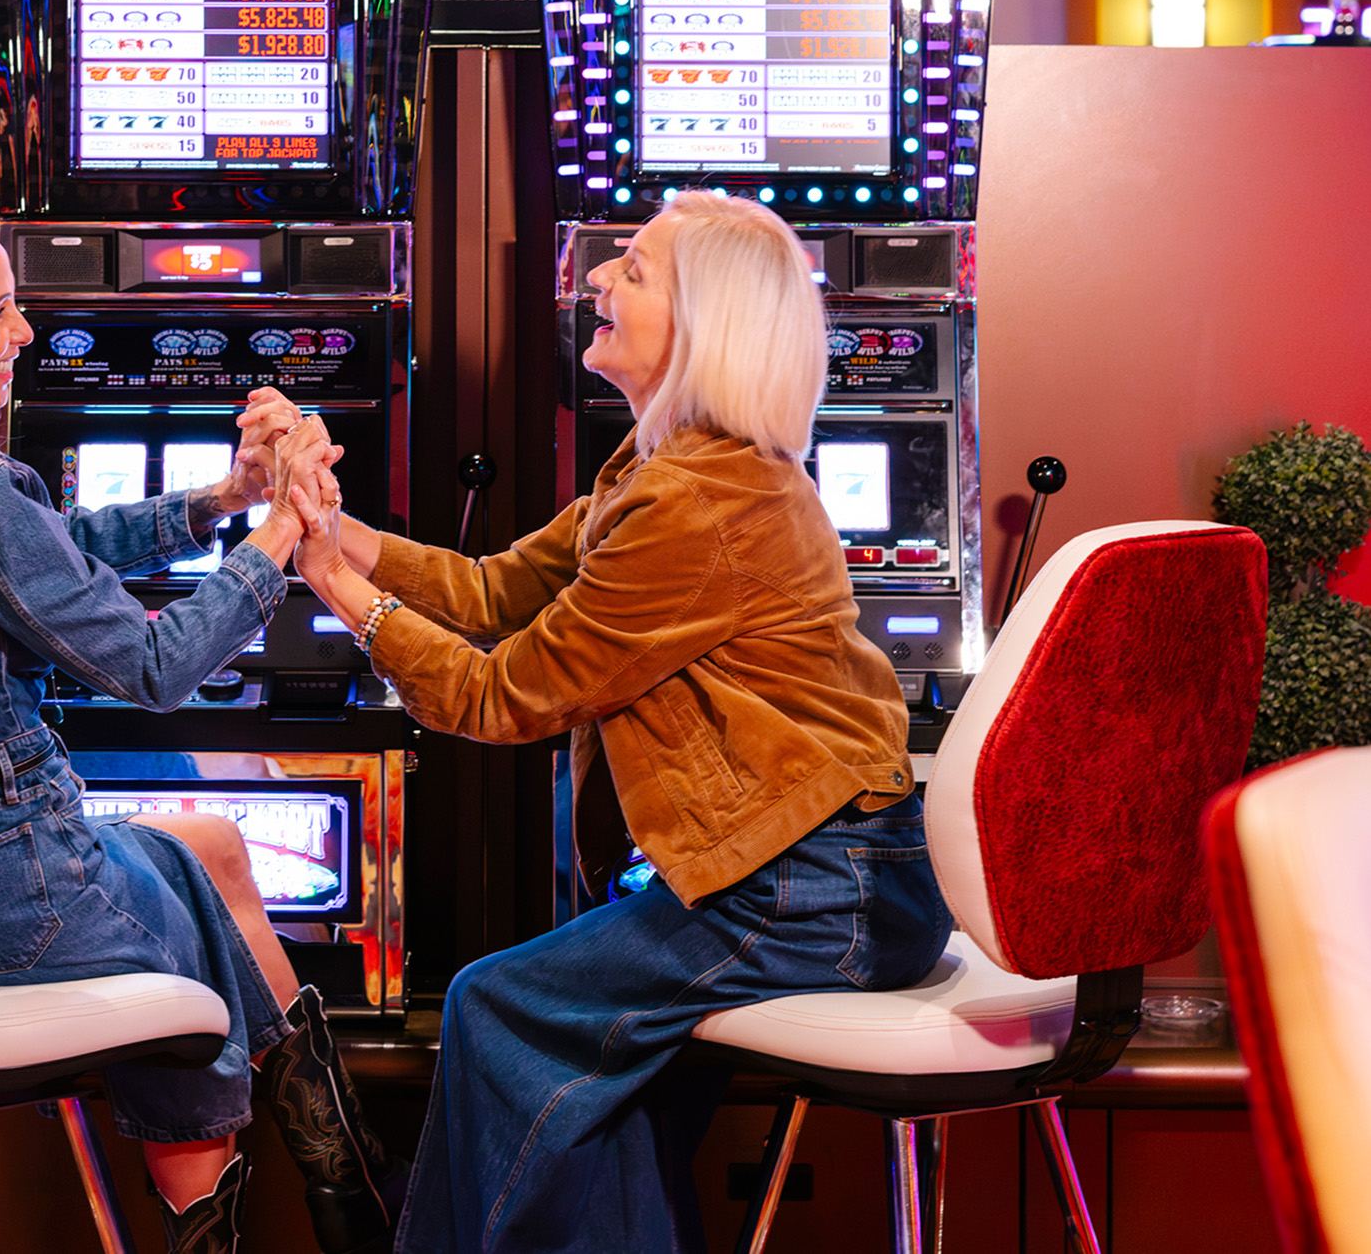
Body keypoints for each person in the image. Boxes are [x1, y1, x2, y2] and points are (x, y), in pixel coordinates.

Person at [274, 193, 950, 1254]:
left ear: (705, 322)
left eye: (632, 269)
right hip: (806, 870)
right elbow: (496, 593)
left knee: (494, 1008)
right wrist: (329, 525)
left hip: (816, 888)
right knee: (604, 1079)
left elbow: (499, 696)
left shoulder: (697, 498)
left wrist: (339, 592)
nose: (596, 279)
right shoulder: (660, 468)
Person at [0, 202, 401, 1254]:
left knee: (214, 849)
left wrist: (223, 499)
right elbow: (156, 668)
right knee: (191, 972)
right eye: (0, 311)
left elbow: (46, 544)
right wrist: (285, 528)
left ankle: (351, 1188)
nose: (25, 334)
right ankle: (333, 1206)